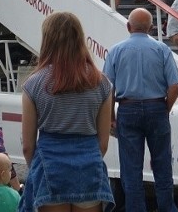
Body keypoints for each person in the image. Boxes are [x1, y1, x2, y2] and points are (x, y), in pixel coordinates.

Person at [20, 12, 114, 212]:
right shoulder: (101, 83)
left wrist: (37, 169)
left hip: (50, 167)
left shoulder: (34, 84)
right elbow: (103, 143)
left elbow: (28, 146)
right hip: (89, 167)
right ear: (80, 39)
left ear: (48, 40)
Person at [103, 8, 178, 212]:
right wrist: (164, 109)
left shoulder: (116, 50)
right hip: (156, 107)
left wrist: (111, 117)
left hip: (127, 109)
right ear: (151, 28)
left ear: (128, 27)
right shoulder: (162, 49)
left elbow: (107, 89)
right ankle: (166, 208)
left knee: (131, 169)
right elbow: (174, 86)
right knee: (162, 165)